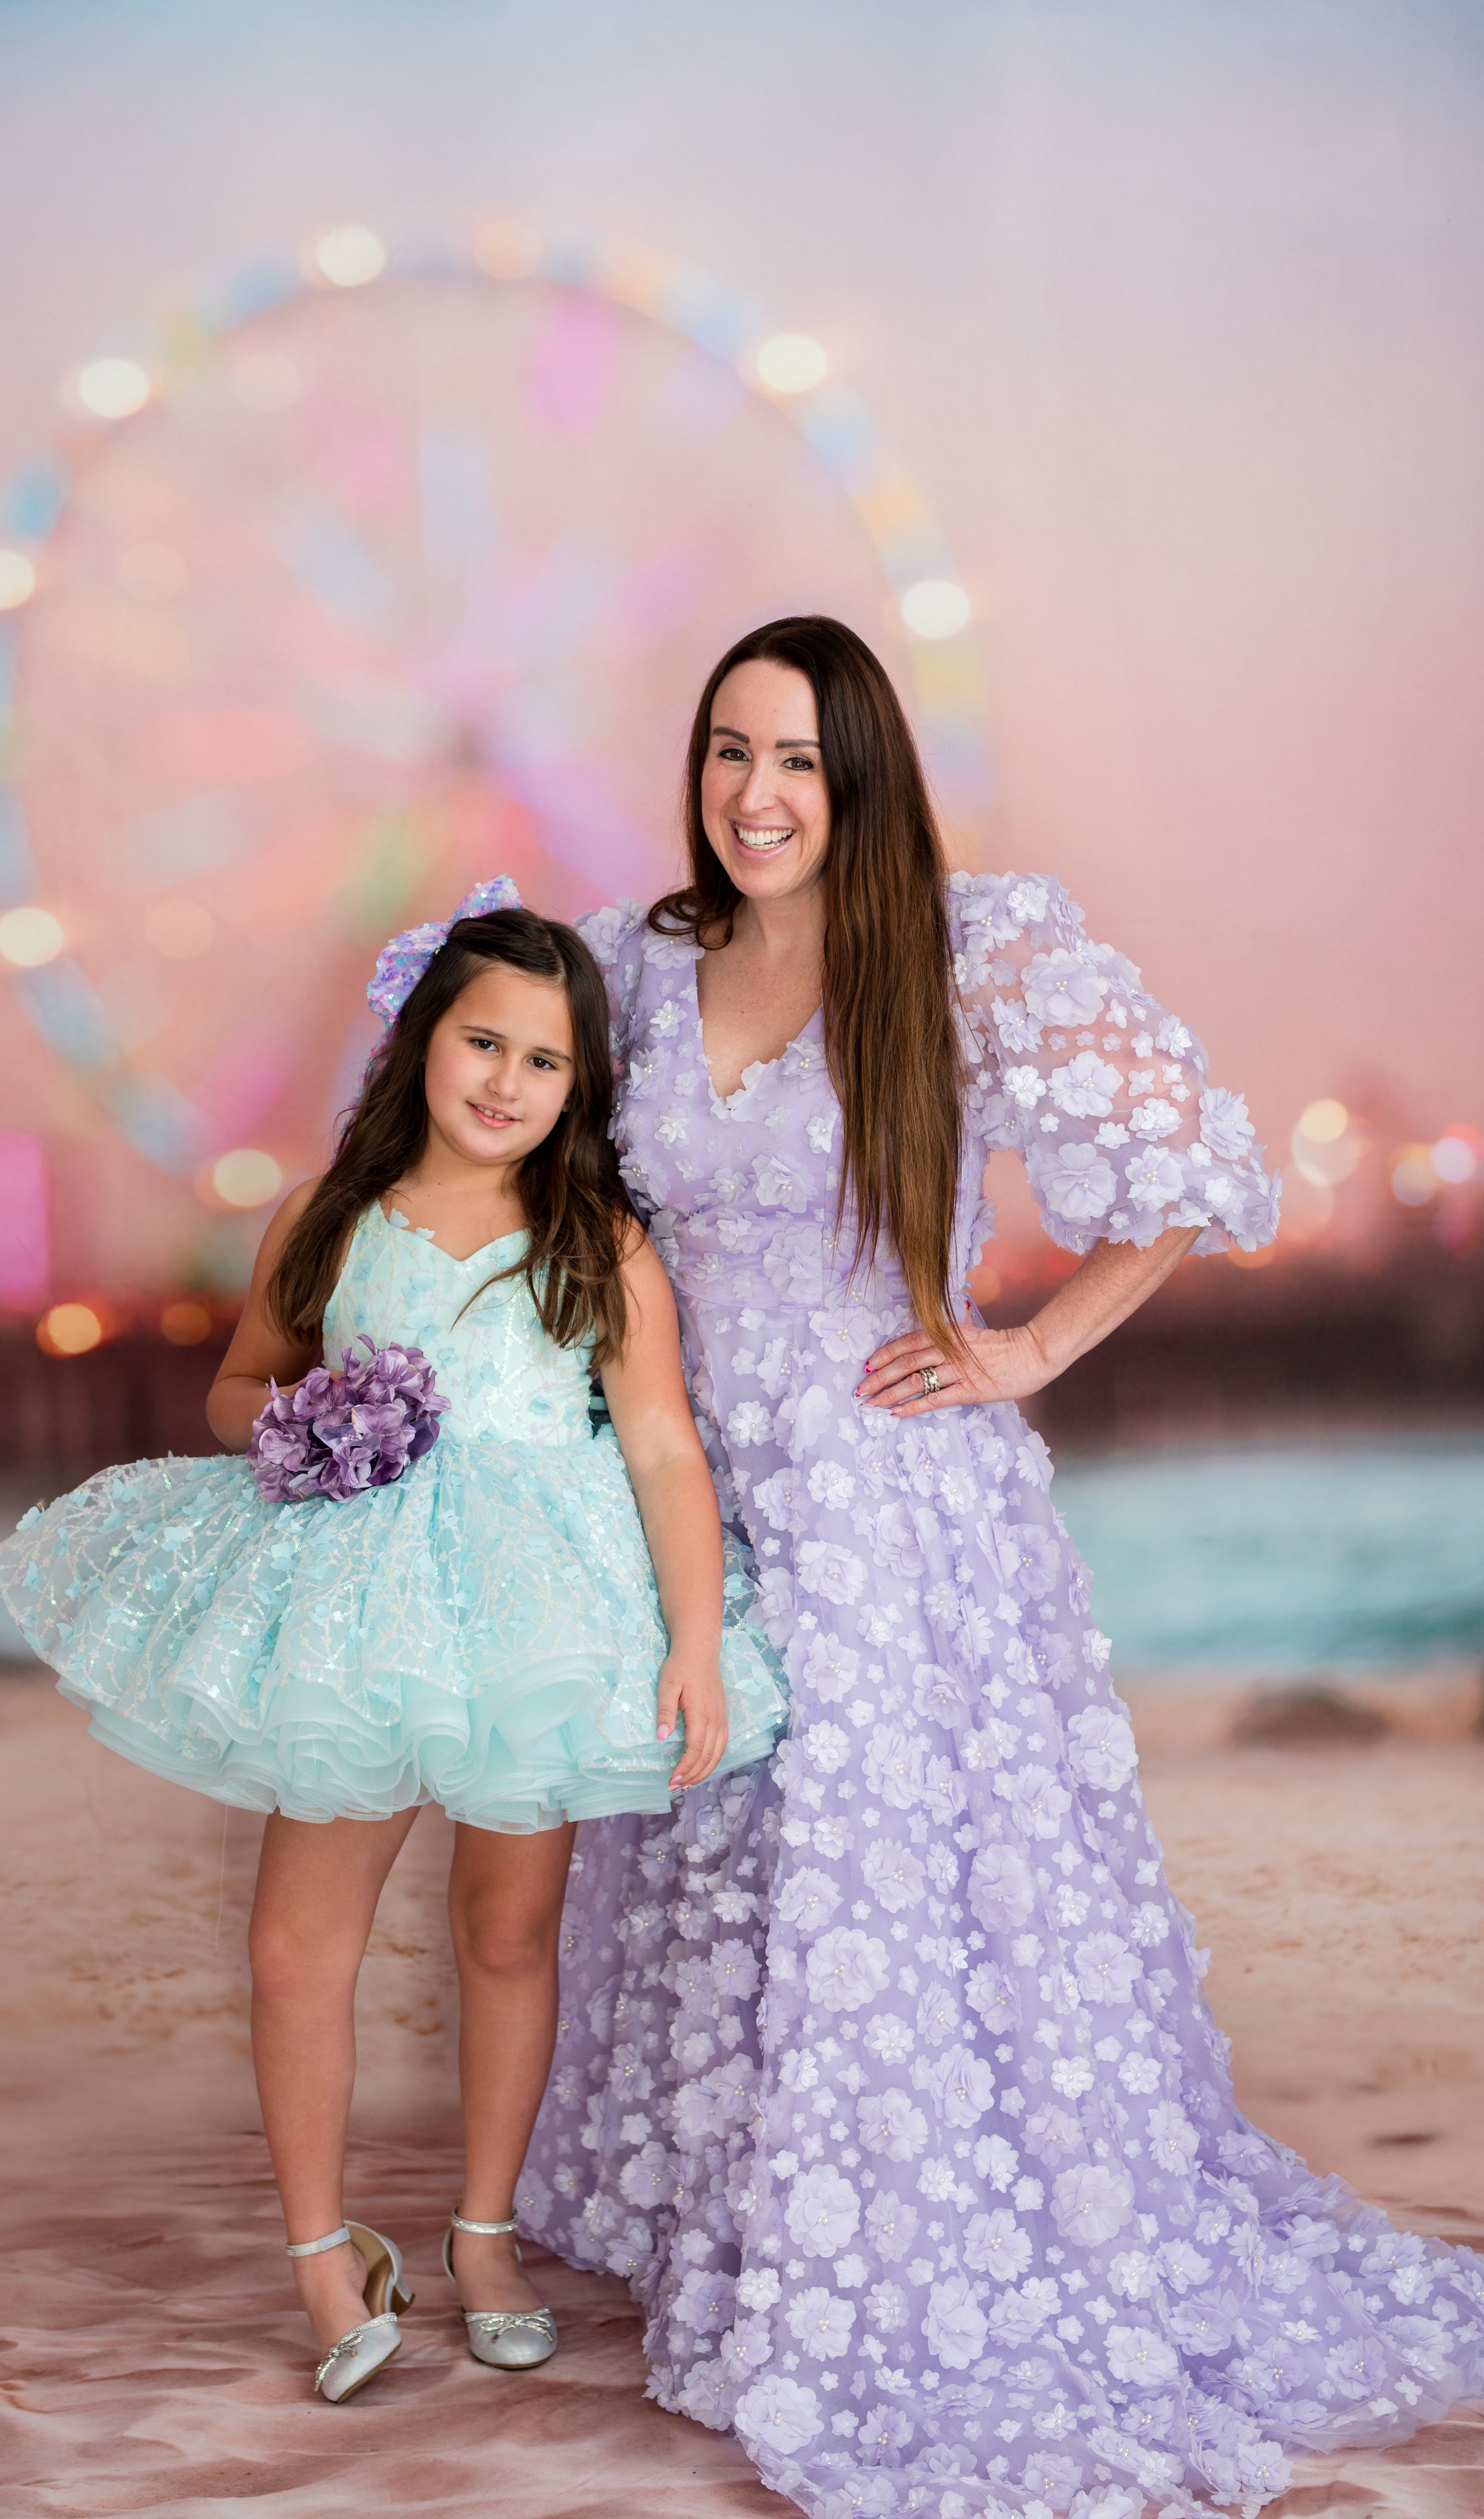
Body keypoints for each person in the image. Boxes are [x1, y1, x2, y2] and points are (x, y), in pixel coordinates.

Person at [520, 619, 1483, 2517]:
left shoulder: (963, 949)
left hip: (894, 1504)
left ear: (861, 773)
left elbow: (1195, 1170)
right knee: (716, 1849)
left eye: (796, 759)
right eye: (727, 752)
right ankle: (729, 2213)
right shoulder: (641, 963)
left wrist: (1027, 1347)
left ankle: (893, 2238)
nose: (754, 795)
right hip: (682, 1491)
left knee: (879, 1891)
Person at [0, 887, 785, 2407]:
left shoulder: (593, 1240)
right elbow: (241, 1390)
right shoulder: (325, 1221)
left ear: (578, 1088)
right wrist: (304, 1428)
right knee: (299, 1946)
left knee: (504, 1927)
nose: (504, 1082)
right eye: (481, 1040)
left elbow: (666, 1450)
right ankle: (320, 2251)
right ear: (424, 1038)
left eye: (543, 1063)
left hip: (538, 1608)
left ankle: (483, 2236)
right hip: (362, 1607)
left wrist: (692, 1640)